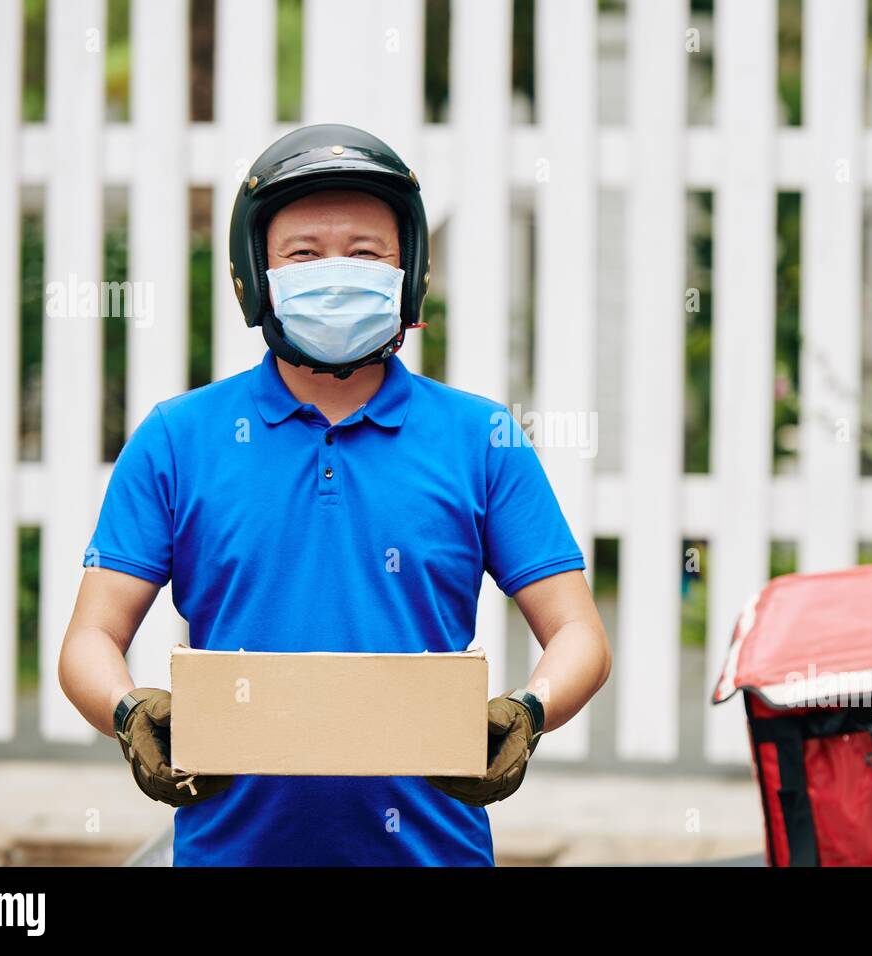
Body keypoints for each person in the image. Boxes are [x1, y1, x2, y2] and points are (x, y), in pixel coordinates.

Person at [57, 124, 611, 866]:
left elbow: (579, 634)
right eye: (304, 254)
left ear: (408, 272)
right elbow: (90, 639)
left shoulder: (481, 438)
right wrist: (129, 715)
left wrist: (527, 712)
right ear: (257, 275)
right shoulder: (177, 439)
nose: (336, 272)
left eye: (366, 253)